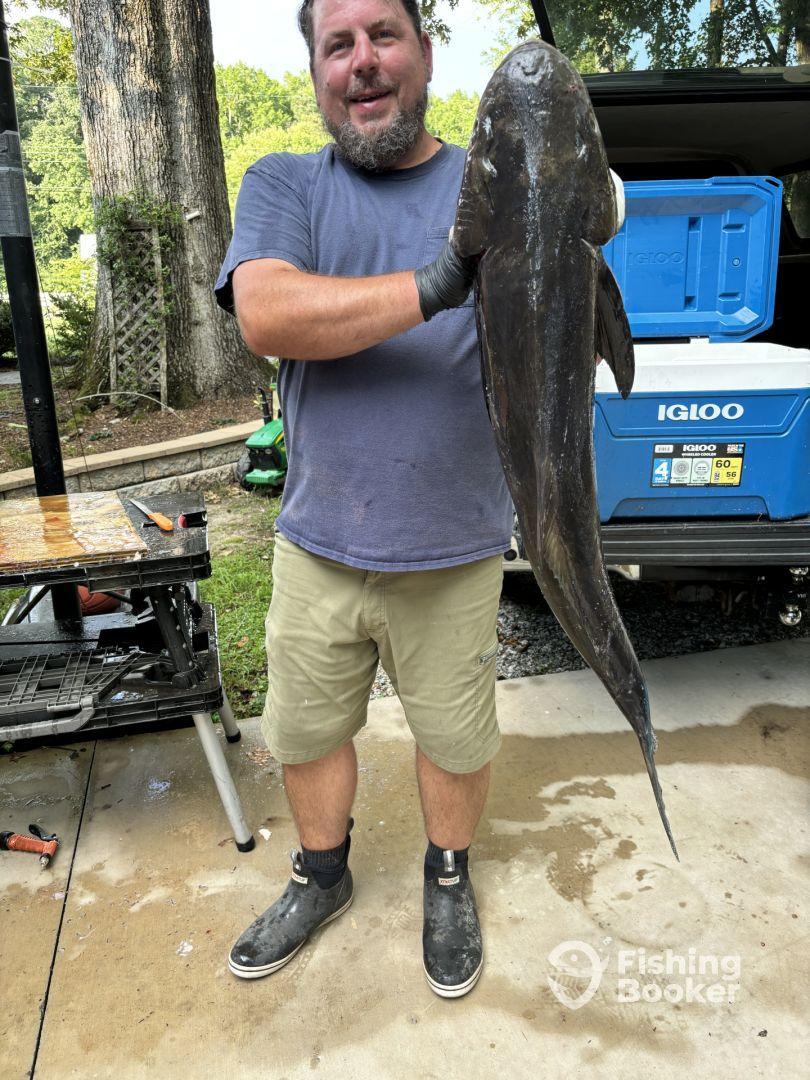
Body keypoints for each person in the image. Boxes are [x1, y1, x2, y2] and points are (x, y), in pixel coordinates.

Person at [214, 0, 513, 999]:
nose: (362, 62)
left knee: (456, 735)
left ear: (425, 51)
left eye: (382, 34)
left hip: (457, 542)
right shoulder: (285, 184)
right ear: (314, 70)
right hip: (319, 542)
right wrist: (433, 284)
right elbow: (266, 312)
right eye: (336, 44)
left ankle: (447, 875)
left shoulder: (491, 183)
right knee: (304, 732)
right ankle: (320, 876)